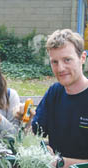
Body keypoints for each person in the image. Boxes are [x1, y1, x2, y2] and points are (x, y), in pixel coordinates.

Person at [32, 29, 88, 167]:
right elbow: (35, 132)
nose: (60, 68)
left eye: (67, 60)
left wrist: (60, 163)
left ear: (83, 58)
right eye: (54, 62)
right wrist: (25, 118)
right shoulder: (54, 92)